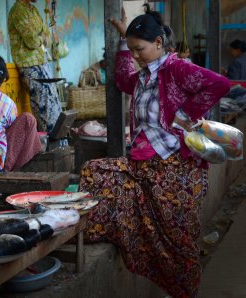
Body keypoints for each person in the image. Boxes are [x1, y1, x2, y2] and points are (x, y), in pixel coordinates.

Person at [78, 5, 230, 298]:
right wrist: (124, 40)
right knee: (94, 172)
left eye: (140, 49)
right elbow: (122, 79)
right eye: (133, 50)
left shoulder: (176, 69)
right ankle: (131, 241)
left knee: (178, 243)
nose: (135, 56)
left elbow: (219, 84)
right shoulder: (145, 76)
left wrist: (185, 117)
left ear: (159, 44)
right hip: (145, 167)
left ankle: (186, 292)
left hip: (177, 173)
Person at [8, 0, 62, 132]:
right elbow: (31, 41)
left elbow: (47, 37)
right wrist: (41, 37)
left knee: (54, 103)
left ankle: (58, 139)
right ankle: (47, 143)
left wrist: (42, 37)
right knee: (44, 107)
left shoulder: (33, 9)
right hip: (29, 65)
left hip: (42, 61)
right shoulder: (18, 11)